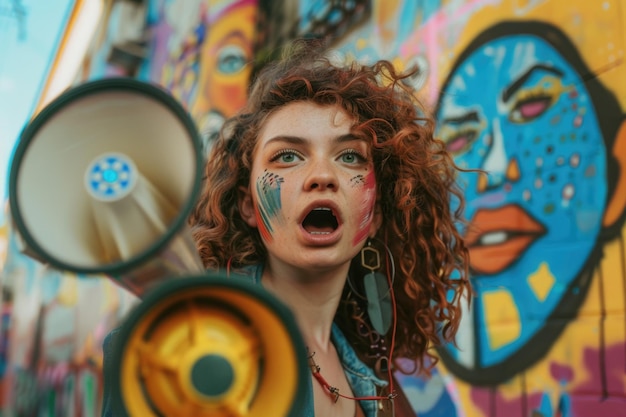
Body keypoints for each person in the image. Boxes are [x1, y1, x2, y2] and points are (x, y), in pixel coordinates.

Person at [187, 38, 471, 417]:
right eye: (287, 156)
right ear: (247, 205)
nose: (322, 175)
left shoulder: (373, 372)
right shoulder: (192, 343)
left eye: (349, 156)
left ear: (376, 215)